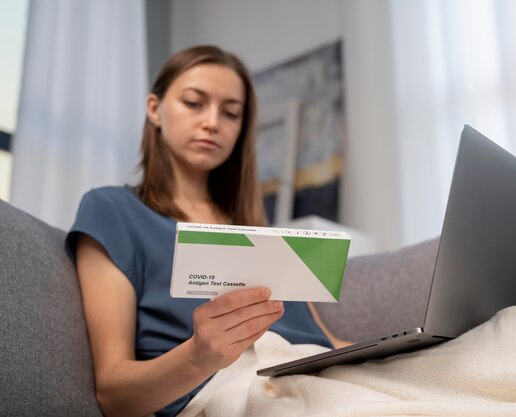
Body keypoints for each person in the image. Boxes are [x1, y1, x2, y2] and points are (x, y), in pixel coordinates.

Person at [65, 45, 348, 417]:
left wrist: (414, 343)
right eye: (194, 103)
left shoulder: (267, 236)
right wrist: (198, 357)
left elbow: (326, 344)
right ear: (155, 109)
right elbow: (114, 394)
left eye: (231, 113)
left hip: (324, 377)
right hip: (237, 393)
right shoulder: (112, 210)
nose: (213, 122)